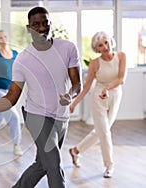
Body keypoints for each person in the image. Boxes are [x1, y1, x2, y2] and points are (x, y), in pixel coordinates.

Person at [0, 6, 81, 188]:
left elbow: (77, 84)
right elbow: (12, 96)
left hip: (61, 115)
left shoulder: (67, 48)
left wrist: (69, 95)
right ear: (29, 28)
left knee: (42, 164)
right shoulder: (23, 59)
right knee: (54, 164)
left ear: (50, 24)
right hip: (36, 115)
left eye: (45, 23)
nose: (42, 28)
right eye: (36, 24)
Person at [69, 31, 127, 178]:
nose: (105, 47)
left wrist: (108, 89)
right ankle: (109, 166)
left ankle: (76, 150)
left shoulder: (121, 56)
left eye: (106, 42)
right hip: (98, 97)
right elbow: (87, 86)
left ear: (110, 42)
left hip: (115, 94)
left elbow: (121, 79)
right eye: (100, 45)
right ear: (97, 48)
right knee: (105, 132)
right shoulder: (95, 63)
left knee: (100, 131)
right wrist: (74, 103)